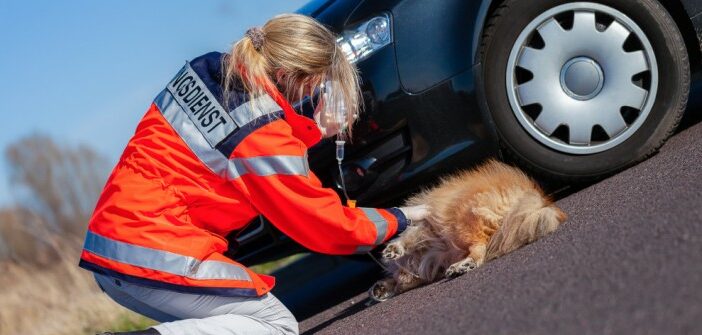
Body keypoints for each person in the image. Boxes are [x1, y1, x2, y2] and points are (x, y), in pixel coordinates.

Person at [80, 14, 429, 335]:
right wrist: (400, 218)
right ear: (288, 76)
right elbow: (323, 224)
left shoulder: (209, 69)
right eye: (314, 85)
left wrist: (311, 132)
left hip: (113, 248)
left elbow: (234, 153)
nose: (313, 94)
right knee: (274, 326)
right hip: (154, 252)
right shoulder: (262, 133)